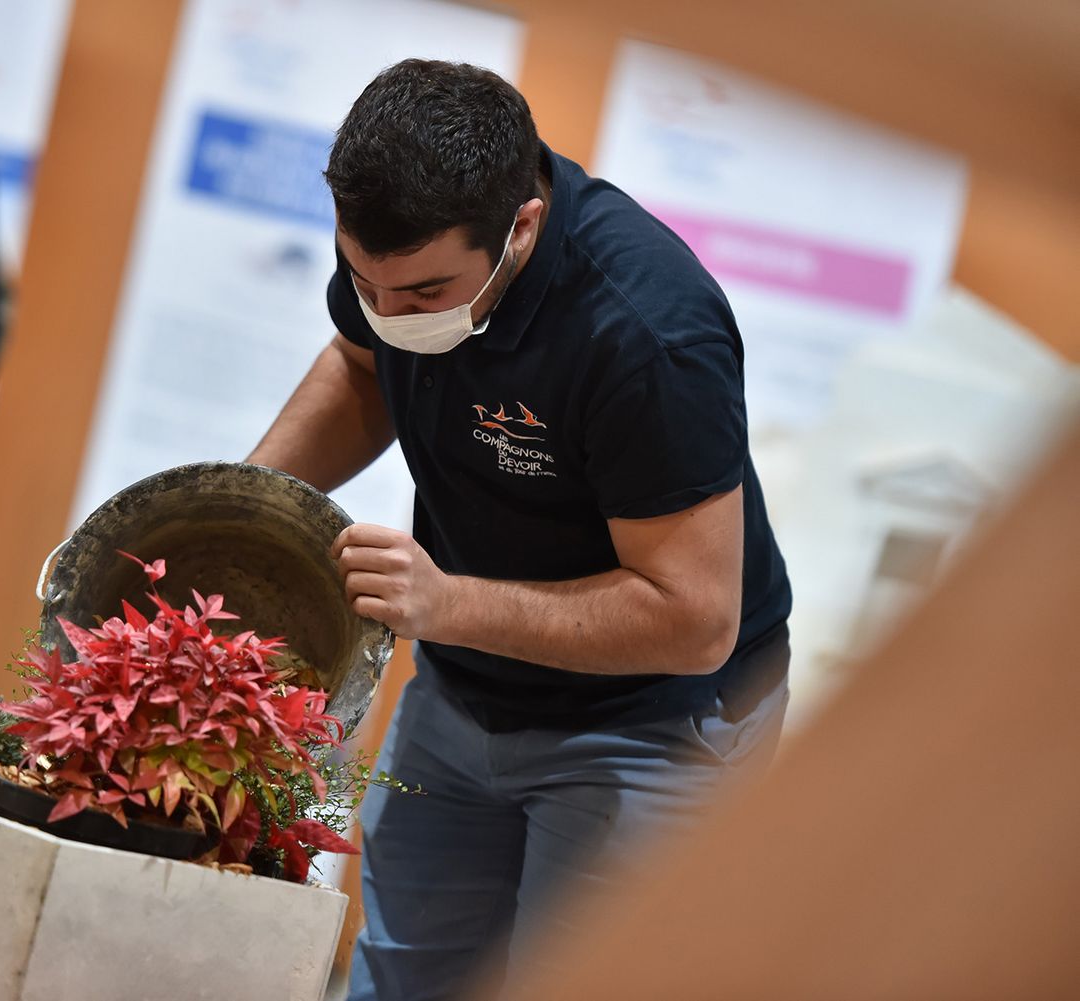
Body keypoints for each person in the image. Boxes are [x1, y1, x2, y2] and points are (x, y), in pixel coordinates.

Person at [246, 60, 793, 999]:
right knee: (402, 981)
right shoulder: (393, 254)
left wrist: (446, 603)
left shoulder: (647, 331)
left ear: (522, 230)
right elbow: (364, 365)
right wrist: (247, 504)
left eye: (425, 295)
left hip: (653, 726)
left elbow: (695, 619)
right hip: (464, 696)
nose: (391, 315)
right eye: (365, 283)